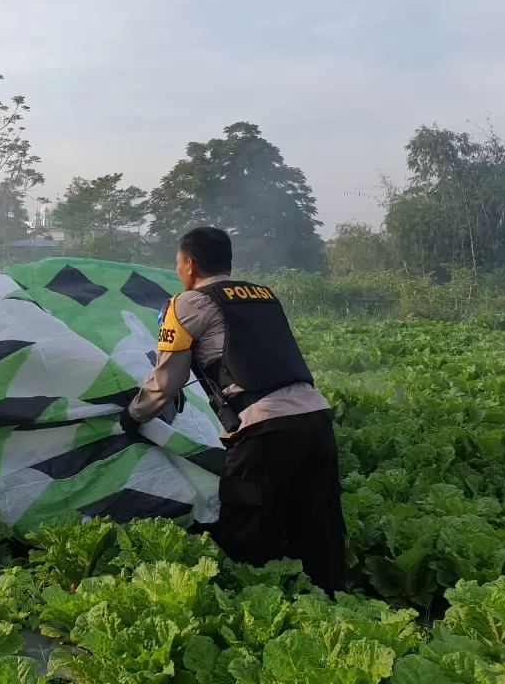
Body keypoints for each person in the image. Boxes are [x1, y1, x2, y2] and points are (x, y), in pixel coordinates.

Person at [119, 226, 345, 592]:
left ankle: (250, 611)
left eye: (178, 263)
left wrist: (133, 416)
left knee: (246, 527)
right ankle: (333, 605)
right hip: (316, 420)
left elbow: (166, 381)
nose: (178, 270)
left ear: (190, 264)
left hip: (264, 431)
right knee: (319, 524)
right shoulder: (262, 295)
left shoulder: (187, 303)